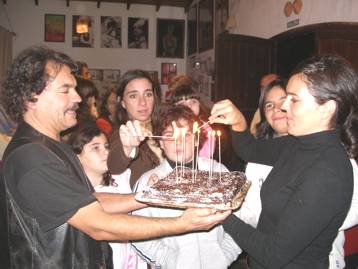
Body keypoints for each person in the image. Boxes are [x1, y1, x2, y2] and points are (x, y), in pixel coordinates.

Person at [0, 46, 231, 268]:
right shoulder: (32, 157)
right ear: (32, 97)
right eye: (65, 90)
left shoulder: (52, 147)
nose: (78, 98)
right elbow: (99, 225)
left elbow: (91, 199)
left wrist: (147, 197)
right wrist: (182, 224)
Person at [209, 54, 358, 268]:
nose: (283, 106)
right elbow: (250, 150)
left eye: (293, 99)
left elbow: (275, 254)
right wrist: (238, 120)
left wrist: (220, 214)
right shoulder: (298, 143)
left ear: (327, 108)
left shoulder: (328, 171)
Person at [132, 105, 241, 269]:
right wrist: (171, 261)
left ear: (197, 139)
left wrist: (224, 255)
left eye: (186, 135)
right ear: (160, 142)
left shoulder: (218, 172)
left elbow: (242, 217)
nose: (178, 142)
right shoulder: (148, 181)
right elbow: (137, 233)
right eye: (170, 135)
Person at [68, 124, 148, 268]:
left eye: (106, 146)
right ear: (77, 157)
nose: (105, 152)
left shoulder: (121, 178)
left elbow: (123, 157)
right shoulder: (74, 193)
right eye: (95, 148)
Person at [108, 70, 163, 189]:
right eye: (133, 96)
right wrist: (127, 147)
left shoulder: (163, 129)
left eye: (148, 94)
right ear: (122, 102)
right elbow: (114, 165)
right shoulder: (122, 134)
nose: (142, 102)